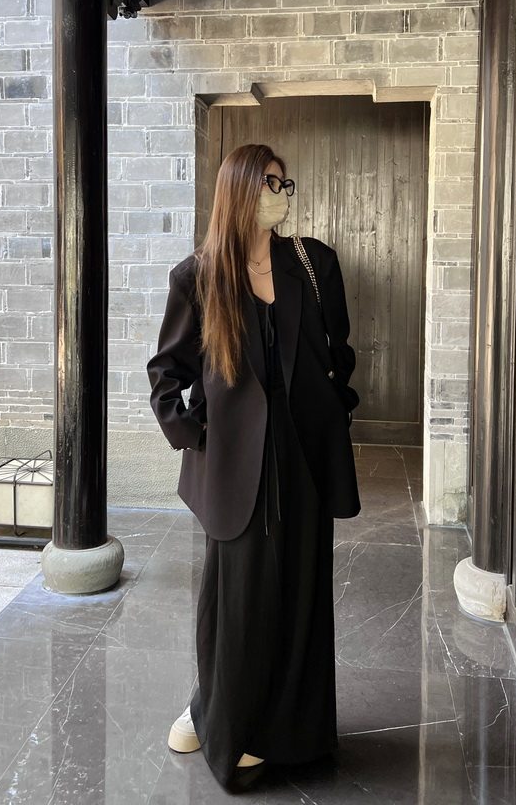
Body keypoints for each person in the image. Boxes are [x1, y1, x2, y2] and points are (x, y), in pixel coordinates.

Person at [146, 143, 361, 792]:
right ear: (239, 190)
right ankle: (221, 717)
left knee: (300, 592)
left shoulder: (314, 263)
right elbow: (167, 372)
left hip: (303, 460)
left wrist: (335, 410)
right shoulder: (199, 276)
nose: (280, 193)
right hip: (236, 463)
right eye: (269, 183)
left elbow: (339, 352)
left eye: (283, 183)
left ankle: (293, 734)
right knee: (237, 601)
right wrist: (195, 436)